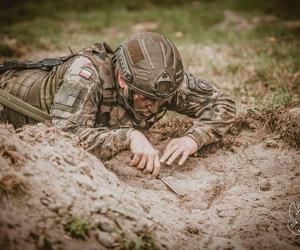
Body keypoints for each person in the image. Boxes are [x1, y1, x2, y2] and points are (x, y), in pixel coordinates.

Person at [0, 32, 236, 177]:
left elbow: (222, 103)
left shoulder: (159, 84)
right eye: (145, 98)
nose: (153, 107)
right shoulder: (85, 76)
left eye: (161, 101)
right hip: (9, 102)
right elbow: (62, 138)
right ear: (123, 79)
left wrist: (193, 138)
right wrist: (129, 136)